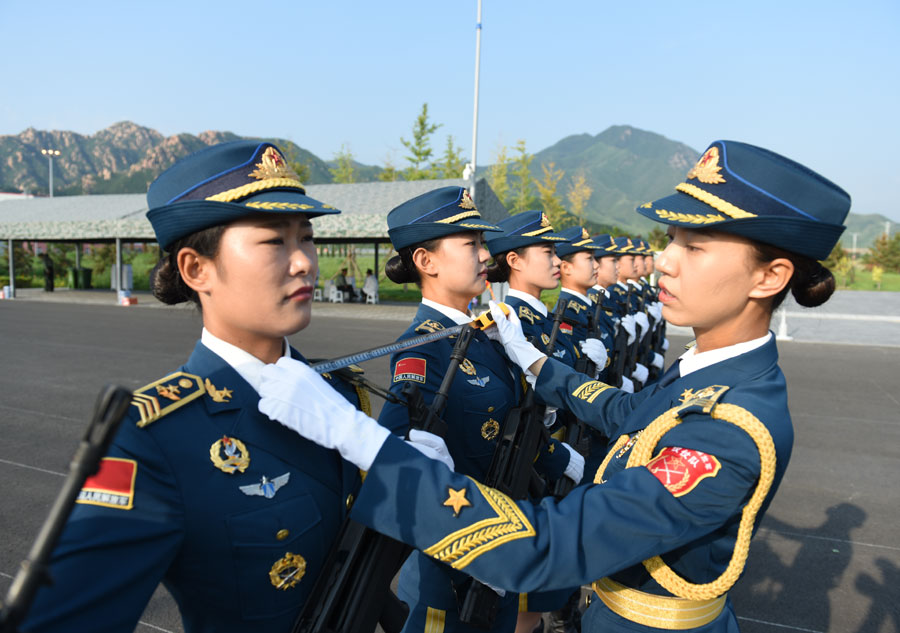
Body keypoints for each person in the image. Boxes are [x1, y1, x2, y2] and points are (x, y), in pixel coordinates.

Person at [257, 140, 851, 632]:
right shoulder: (706, 375)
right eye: (671, 240)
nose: (665, 260)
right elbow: (627, 413)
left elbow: (546, 548)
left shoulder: (731, 427)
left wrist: (357, 439)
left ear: (771, 276)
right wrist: (536, 363)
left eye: (693, 247)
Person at [21, 141, 404, 633]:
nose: (305, 261)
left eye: (305, 238)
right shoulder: (151, 436)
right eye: (274, 242)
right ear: (196, 270)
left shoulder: (338, 394)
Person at [359, 187, 583, 633]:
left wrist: (560, 459)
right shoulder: (424, 346)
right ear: (427, 261)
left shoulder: (484, 335)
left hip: (504, 537)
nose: (486, 256)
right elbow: (398, 451)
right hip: (455, 568)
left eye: (483, 244)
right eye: (472, 245)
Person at [483, 212, 586, 633]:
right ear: (515, 260)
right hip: (528, 468)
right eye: (547, 251)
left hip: (553, 460)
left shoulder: (542, 317)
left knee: (543, 585)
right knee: (525, 596)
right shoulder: (512, 322)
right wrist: (555, 452)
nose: (557, 259)